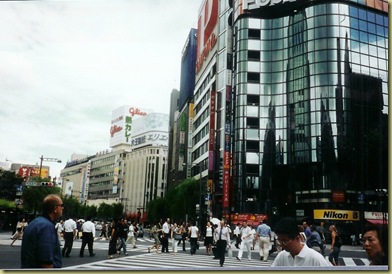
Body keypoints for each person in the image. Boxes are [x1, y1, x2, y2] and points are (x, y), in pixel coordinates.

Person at [21, 194, 63, 268]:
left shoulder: (34, 222)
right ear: (55, 208)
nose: (62, 208)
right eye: (61, 205)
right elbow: (46, 262)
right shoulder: (47, 227)